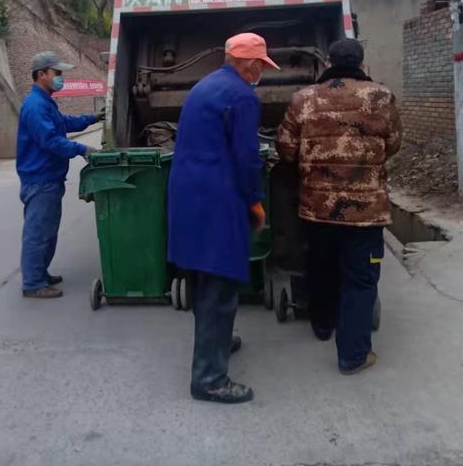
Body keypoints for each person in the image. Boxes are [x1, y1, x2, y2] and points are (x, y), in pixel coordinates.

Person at [276, 38, 402, 375]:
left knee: (321, 268)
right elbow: (393, 143)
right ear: (361, 64)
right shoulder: (381, 96)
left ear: (328, 63)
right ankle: (353, 355)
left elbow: (285, 149)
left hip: (317, 210)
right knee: (361, 280)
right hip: (366, 213)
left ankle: (322, 325)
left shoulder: (303, 99)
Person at [168, 32, 279, 404]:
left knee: (203, 279)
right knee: (219, 285)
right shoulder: (241, 96)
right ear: (251, 64)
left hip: (189, 197)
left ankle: (217, 340)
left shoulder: (205, 86)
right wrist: (256, 202)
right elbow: (246, 158)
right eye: (262, 65)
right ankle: (209, 379)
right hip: (217, 200)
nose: (262, 72)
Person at [16, 51, 103, 299]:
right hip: (40, 179)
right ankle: (33, 283)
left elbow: (63, 123)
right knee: (38, 233)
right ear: (41, 74)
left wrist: (93, 118)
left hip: (49, 178)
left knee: (47, 231)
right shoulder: (35, 106)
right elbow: (51, 141)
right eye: (57, 73)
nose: (61, 77)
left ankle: (40, 274)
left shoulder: (45, 102)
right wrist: (82, 149)